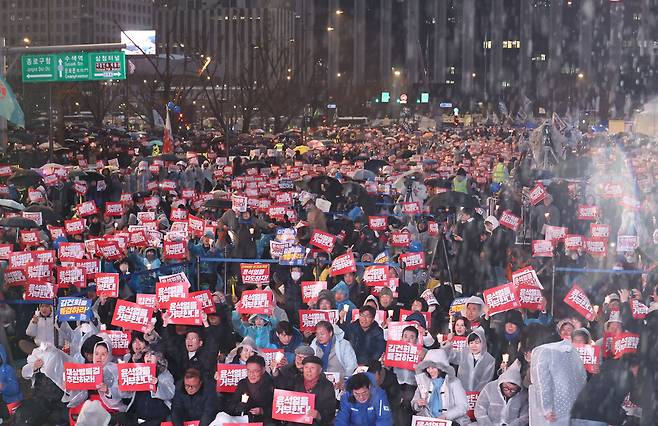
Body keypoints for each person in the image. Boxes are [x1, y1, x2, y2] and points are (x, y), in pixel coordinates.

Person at [529, 337, 587, 426]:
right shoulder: (571, 350)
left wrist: (545, 408)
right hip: (575, 406)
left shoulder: (543, 352)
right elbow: (582, 377)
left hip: (554, 411)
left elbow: (542, 383)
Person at [570, 353, 639, 426]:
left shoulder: (606, 372)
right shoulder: (625, 377)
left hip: (577, 415)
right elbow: (613, 405)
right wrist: (622, 420)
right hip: (595, 418)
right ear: (634, 366)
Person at [412, 349, 469, 423]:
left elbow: (462, 406)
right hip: (427, 422)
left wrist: (446, 416)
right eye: (428, 368)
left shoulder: (454, 382)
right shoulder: (423, 381)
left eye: (433, 368)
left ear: (442, 368)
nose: (430, 371)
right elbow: (414, 403)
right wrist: (418, 404)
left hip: (451, 422)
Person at [223, 355, 275, 425]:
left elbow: (276, 408)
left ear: (263, 370)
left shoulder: (270, 384)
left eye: (255, 371)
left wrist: (262, 411)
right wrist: (239, 406)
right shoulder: (242, 383)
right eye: (248, 371)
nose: (251, 374)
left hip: (265, 421)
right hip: (245, 420)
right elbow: (231, 406)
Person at [288, 355, 337, 425]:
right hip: (295, 422)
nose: (309, 371)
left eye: (312, 368)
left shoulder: (327, 386)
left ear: (320, 370)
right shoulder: (296, 380)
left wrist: (319, 415)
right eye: (306, 367)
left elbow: (330, 410)